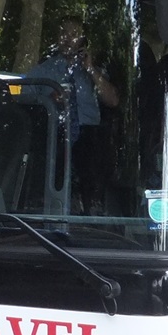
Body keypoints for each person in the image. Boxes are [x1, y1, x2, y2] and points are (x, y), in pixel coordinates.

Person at [29, 18, 120, 212]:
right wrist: (50, 100)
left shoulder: (93, 70)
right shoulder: (43, 70)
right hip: (56, 135)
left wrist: (90, 69)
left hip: (90, 139)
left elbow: (112, 100)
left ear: (83, 40)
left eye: (74, 34)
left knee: (92, 187)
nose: (67, 39)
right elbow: (21, 100)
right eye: (63, 33)